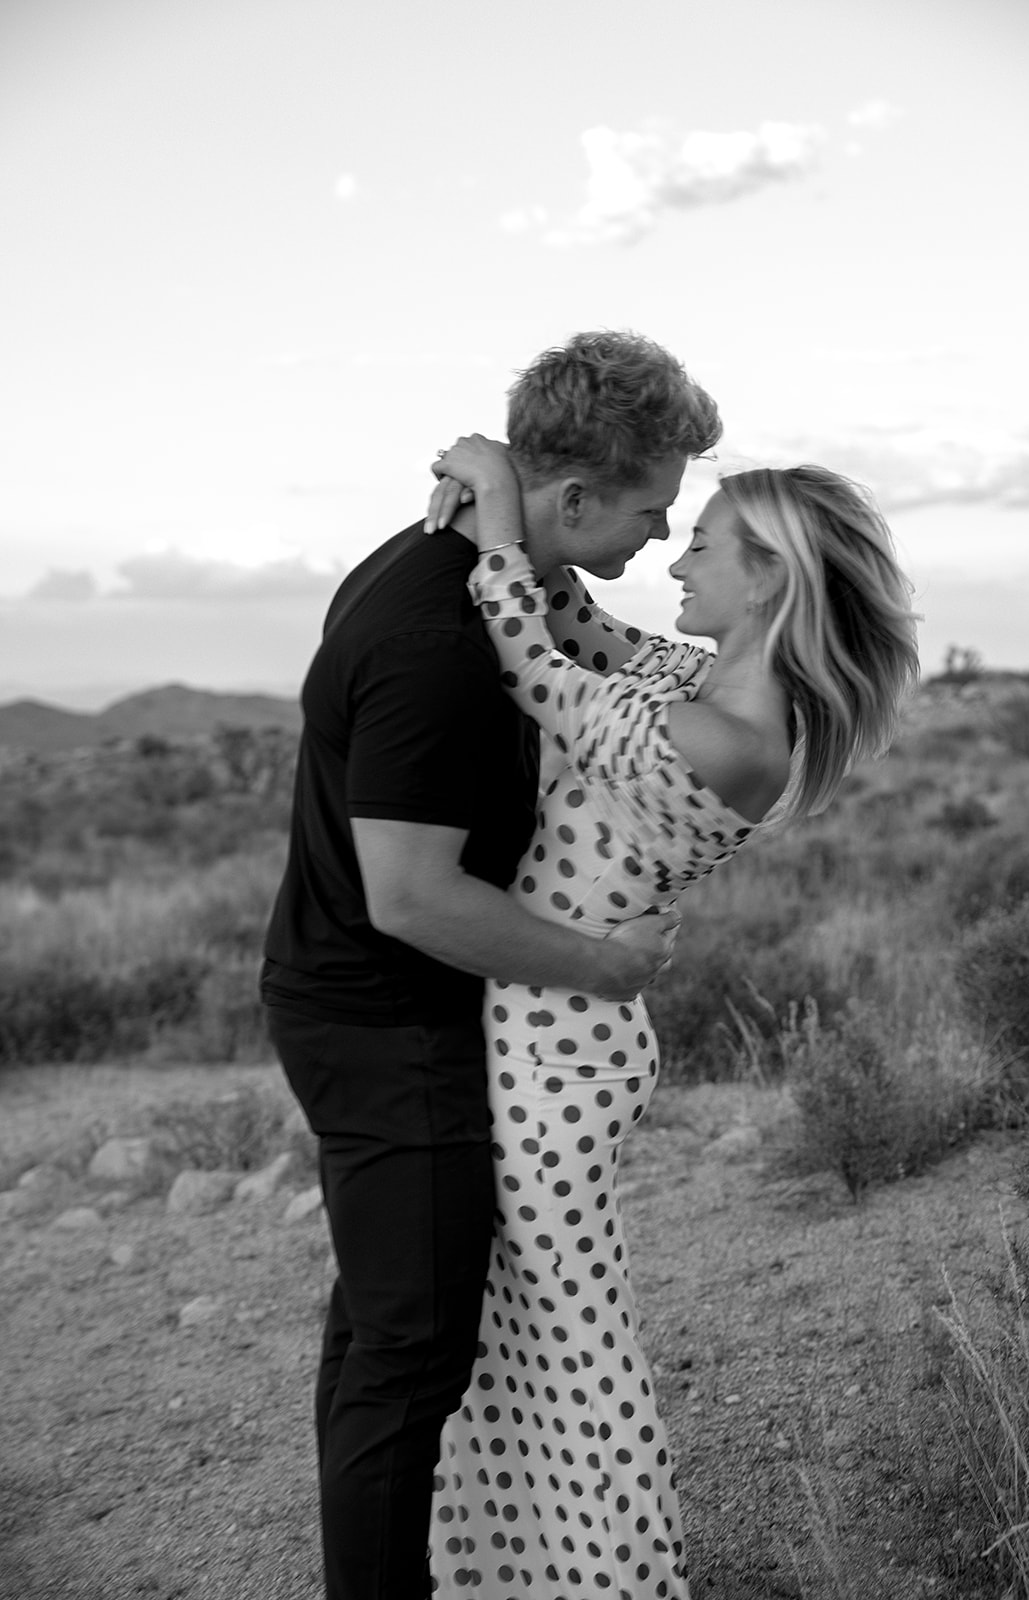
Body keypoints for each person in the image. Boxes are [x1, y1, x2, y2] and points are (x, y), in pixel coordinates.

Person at [259, 331, 722, 1600]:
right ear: (569, 499)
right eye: (648, 510)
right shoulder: (438, 640)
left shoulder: (425, 566)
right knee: (409, 1358)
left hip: (383, 1002)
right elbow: (408, 897)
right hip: (386, 1017)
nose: (651, 539)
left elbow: (586, 651)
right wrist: (602, 966)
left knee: (378, 1332)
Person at [422, 435, 920, 1600]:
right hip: (537, 1023)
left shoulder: (732, 740)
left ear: (770, 580)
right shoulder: (688, 681)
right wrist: (514, 514)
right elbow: (578, 631)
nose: (676, 558)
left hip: (555, 1052)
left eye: (702, 542)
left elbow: (536, 672)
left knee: (568, 1335)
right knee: (501, 1331)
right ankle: (502, 1574)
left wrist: (500, 511)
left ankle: (613, 1580)